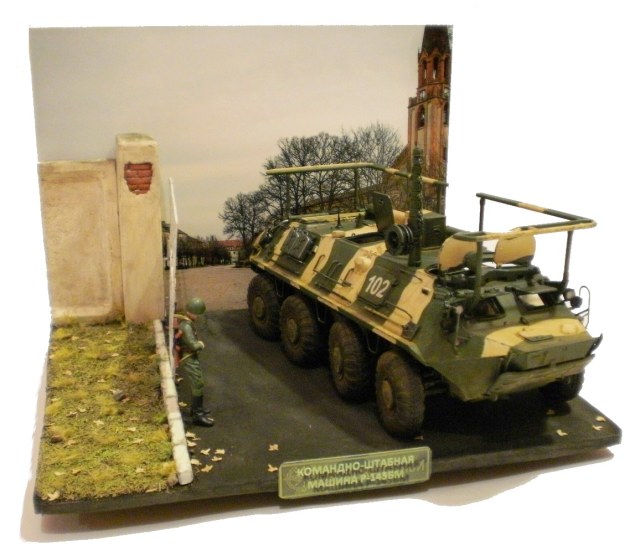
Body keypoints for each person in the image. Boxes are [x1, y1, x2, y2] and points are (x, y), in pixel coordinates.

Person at [174, 297, 215, 427]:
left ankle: (196, 409)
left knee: (198, 382)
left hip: (189, 356)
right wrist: (200, 344)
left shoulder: (186, 323)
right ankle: (197, 415)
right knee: (198, 383)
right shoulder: (186, 326)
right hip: (189, 357)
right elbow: (193, 344)